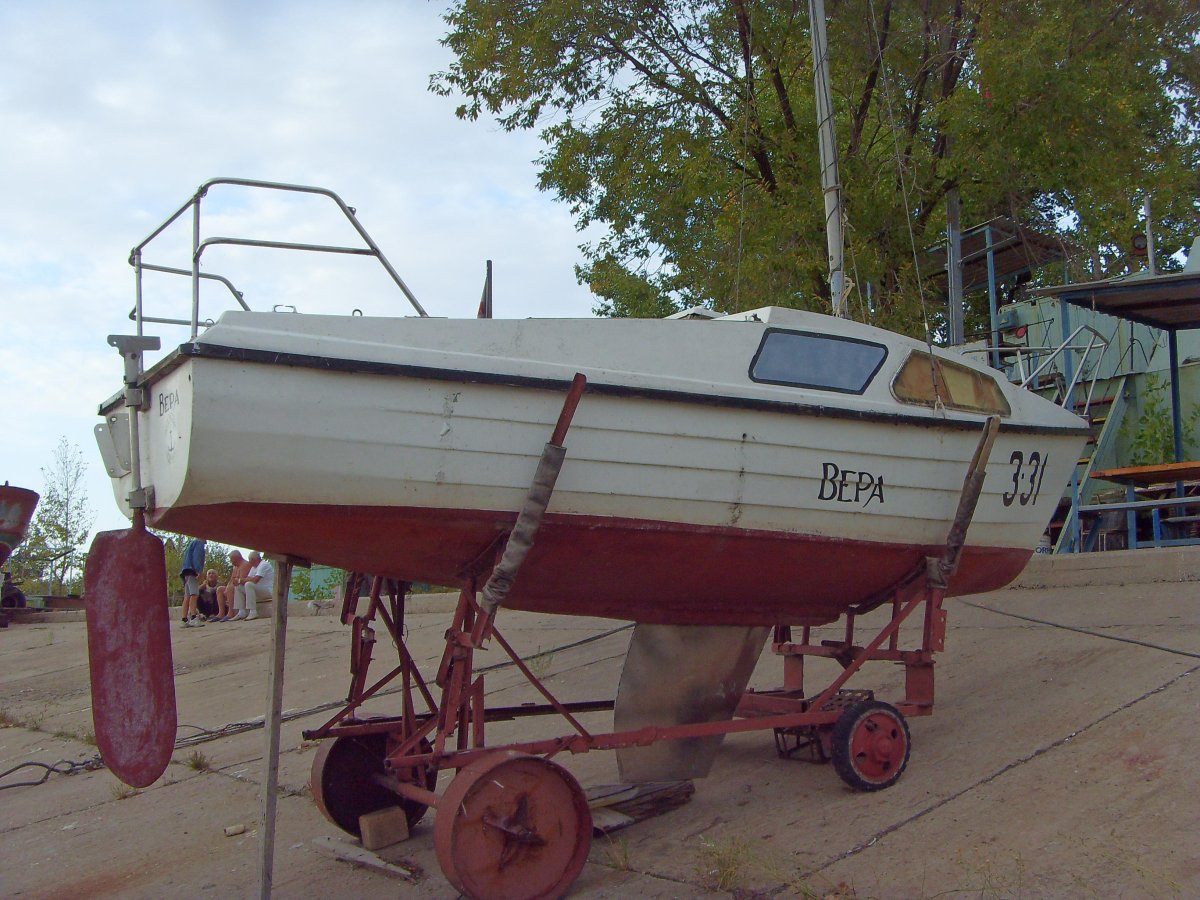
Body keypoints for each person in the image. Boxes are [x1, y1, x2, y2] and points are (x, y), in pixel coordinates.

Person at [232, 551, 274, 621]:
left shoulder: (264, 565)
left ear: (254, 559)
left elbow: (255, 580)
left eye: (250, 560)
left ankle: (253, 612)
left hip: (268, 590)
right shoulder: (254, 567)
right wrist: (239, 581)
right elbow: (248, 578)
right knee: (239, 587)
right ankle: (241, 612)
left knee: (249, 584)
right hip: (259, 590)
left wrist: (240, 580)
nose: (249, 562)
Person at [217, 550, 252, 621]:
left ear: (236, 558)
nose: (231, 561)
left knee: (230, 588)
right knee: (220, 589)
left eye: (231, 559)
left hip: (244, 587)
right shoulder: (236, 567)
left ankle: (231, 613)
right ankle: (221, 613)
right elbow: (231, 580)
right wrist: (226, 588)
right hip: (235, 586)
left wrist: (229, 587)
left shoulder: (245, 565)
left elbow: (241, 581)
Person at [179, 537, 206, 627]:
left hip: (185, 571)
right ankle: (193, 618)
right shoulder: (199, 543)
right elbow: (197, 557)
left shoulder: (191, 544)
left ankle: (184, 619)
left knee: (187, 595)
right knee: (194, 594)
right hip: (192, 571)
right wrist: (198, 571)